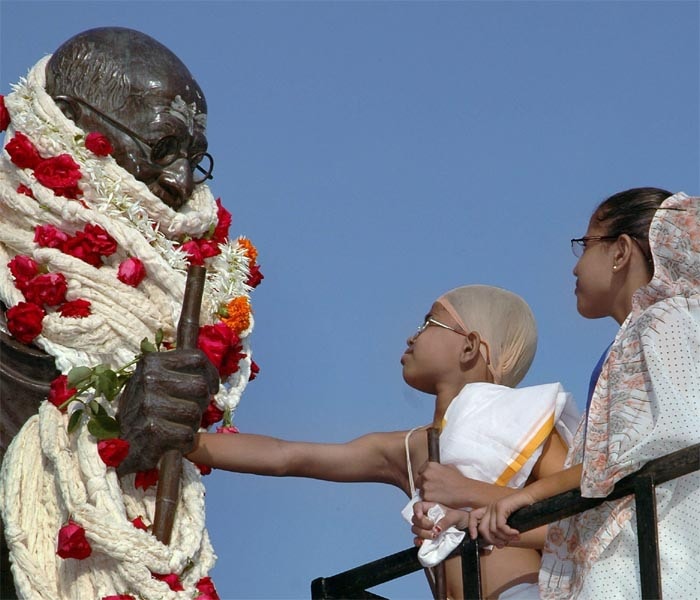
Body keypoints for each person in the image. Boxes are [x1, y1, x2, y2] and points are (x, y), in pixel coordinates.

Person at [0, 27, 260, 599]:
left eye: (195, 159)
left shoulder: (173, 298)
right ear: (72, 121)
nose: (181, 181)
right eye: (163, 148)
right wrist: (106, 430)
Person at [187, 284, 579, 599]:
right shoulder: (406, 450)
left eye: (430, 322)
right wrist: (185, 442)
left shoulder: (526, 419)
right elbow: (287, 456)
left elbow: (584, 518)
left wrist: (468, 492)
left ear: (469, 346)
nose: (413, 334)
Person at [413, 189, 700, 599]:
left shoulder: (665, 320)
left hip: (662, 566)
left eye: (585, 244)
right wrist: (473, 516)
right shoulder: (637, 337)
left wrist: (523, 495)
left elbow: (634, 460)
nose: (575, 266)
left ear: (620, 251)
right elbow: (607, 481)